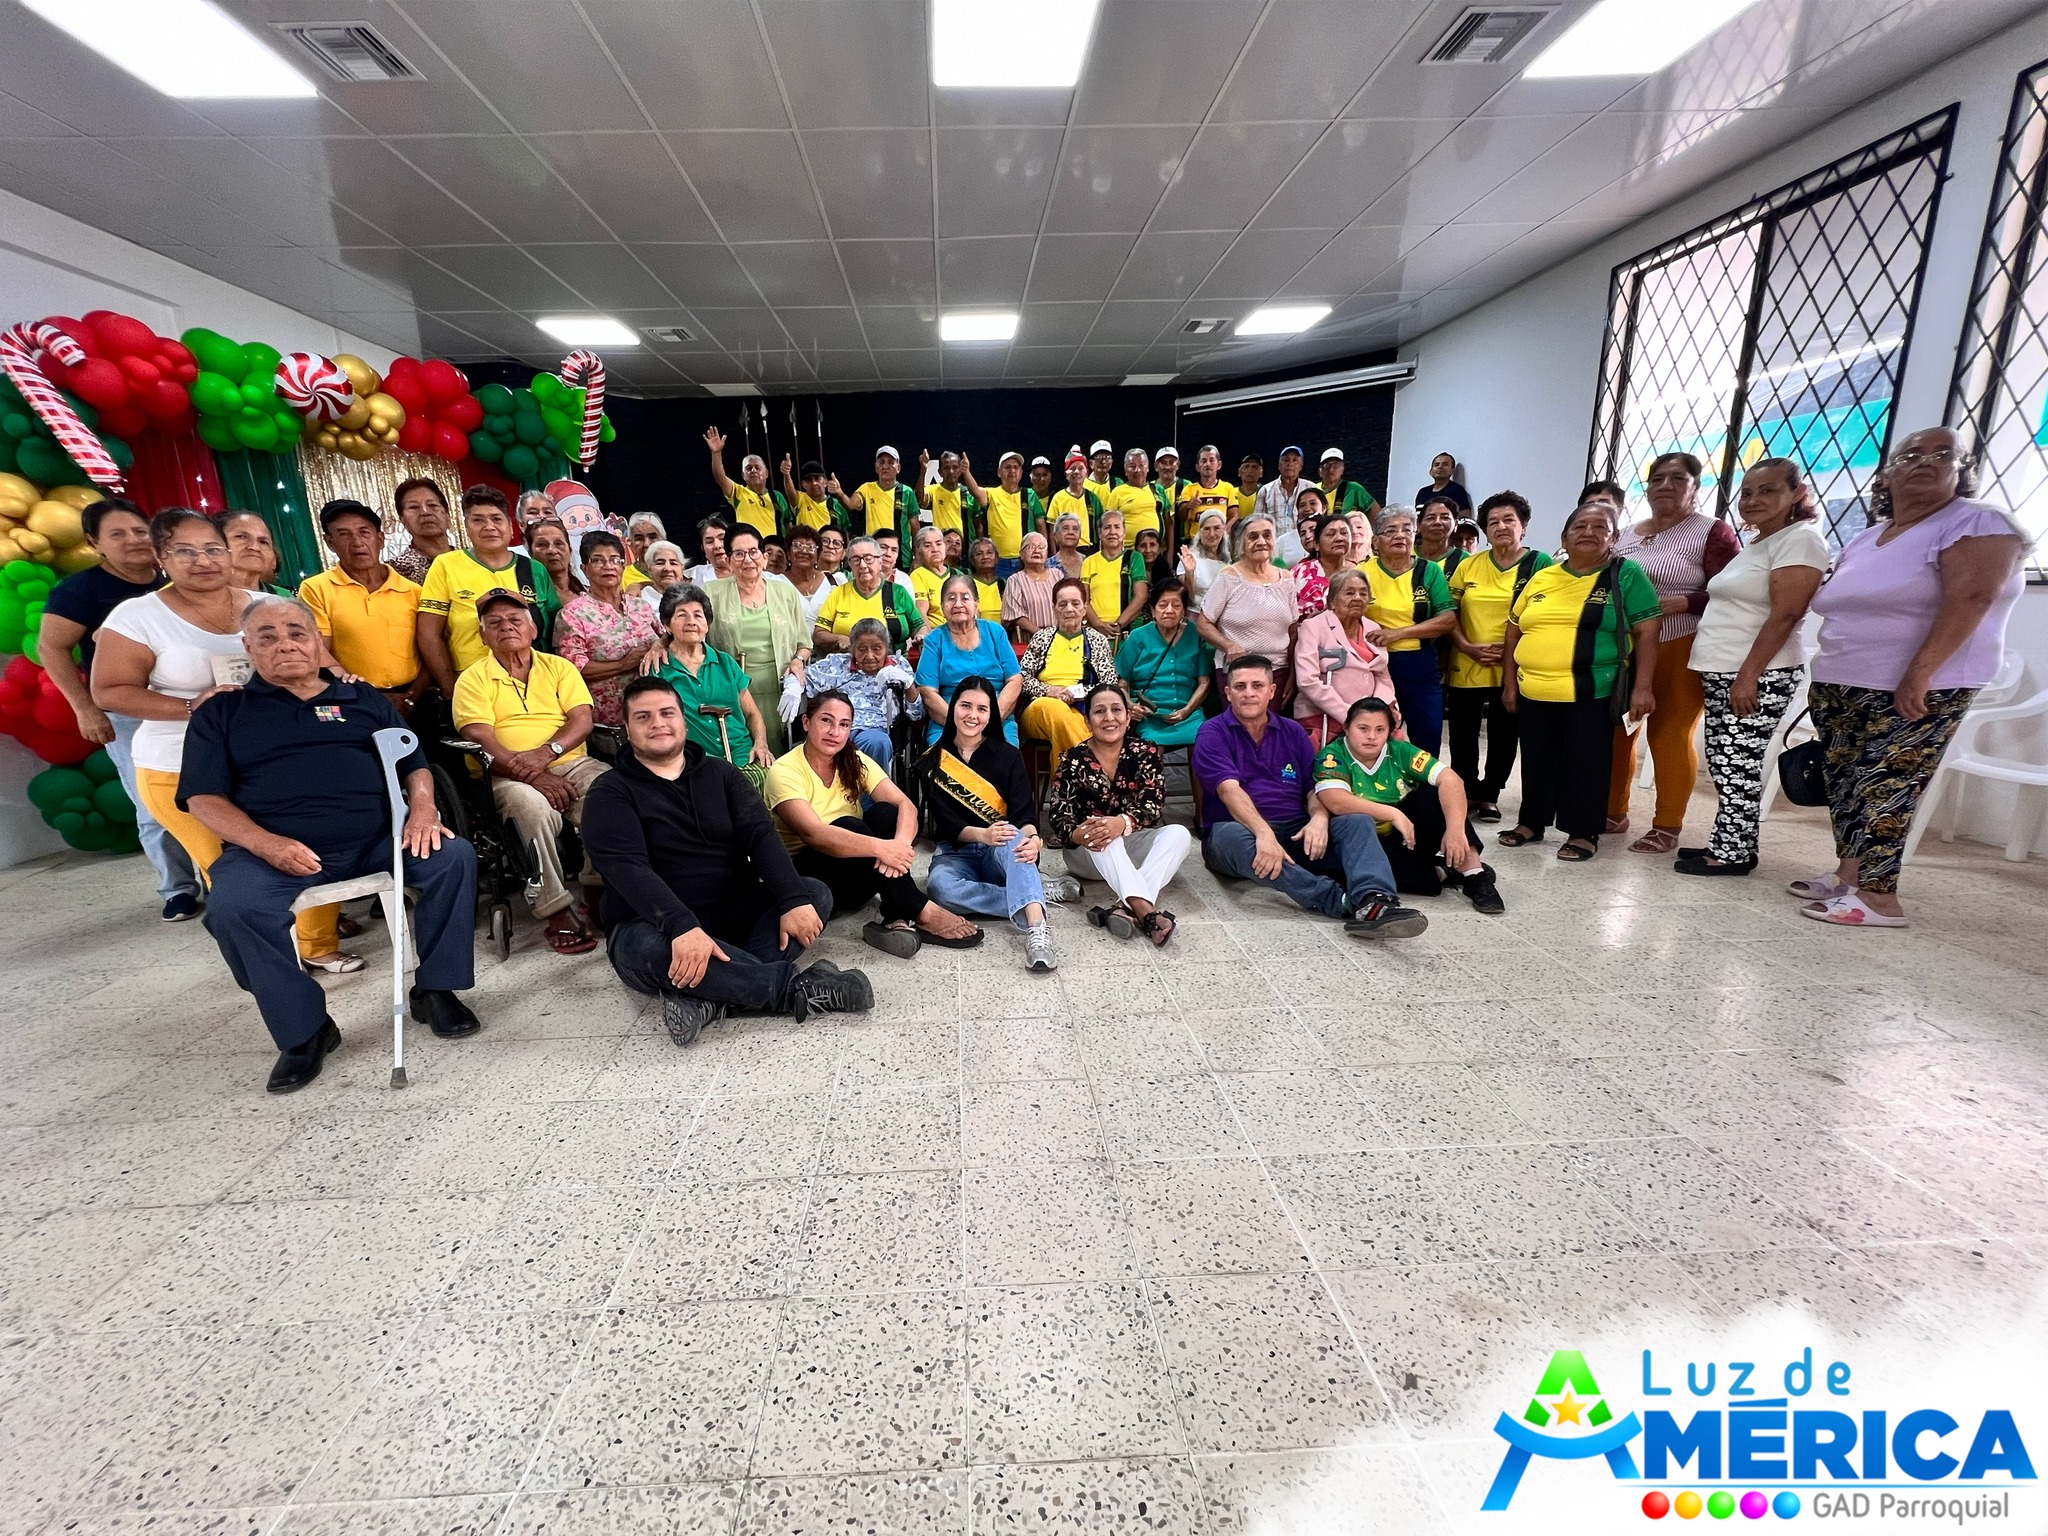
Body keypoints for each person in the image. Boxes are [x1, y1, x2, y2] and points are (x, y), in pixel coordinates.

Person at [175, 595, 481, 1091]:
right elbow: (203, 799)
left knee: (453, 858)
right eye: (268, 637)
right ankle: (305, 1030)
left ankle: (436, 991)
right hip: (273, 851)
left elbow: (414, 764)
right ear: (248, 648)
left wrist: (423, 810)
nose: (286, 645)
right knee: (233, 908)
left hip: (377, 839)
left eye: (297, 633)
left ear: (318, 642)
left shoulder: (361, 699)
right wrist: (266, 844)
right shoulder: (223, 711)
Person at [95, 510, 354, 970]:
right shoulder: (138, 616)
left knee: (310, 841)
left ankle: (316, 945)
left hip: (274, 760)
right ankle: (272, 961)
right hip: (180, 765)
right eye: (185, 551)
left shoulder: (265, 605)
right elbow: (110, 691)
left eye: (213, 549)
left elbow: (321, 662)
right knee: (237, 866)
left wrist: (344, 682)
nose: (203, 561)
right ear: (160, 556)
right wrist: (193, 707)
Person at [1796, 427, 2025, 926]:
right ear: (1886, 476)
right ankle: (1850, 876)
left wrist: (1919, 674)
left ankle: (1880, 899)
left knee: (1890, 786)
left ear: (1961, 470)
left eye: (1942, 454)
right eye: (1910, 455)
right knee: (1847, 784)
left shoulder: (1977, 521)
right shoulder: (1869, 537)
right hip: (1842, 680)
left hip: (1919, 685)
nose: (1925, 461)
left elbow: (1973, 597)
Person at [582, 675, 874, 1044]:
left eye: (667, 713)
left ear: (683, 719)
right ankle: (793, 989)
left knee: (813, 894)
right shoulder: (609, 792)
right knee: (643, 949)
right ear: (627, 728)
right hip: (655, 925)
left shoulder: (722, 775)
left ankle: (711, 997)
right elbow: (628, 869)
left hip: (733, 910)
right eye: (643, 717)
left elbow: (761, 836)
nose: (658, 723)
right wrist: (681, 926)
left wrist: (792, 899)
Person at [36, 496, 201, 919]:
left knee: (213, 791)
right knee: (152, 800)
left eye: (139, 530)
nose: (133, 540)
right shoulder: (80, 590)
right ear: (94, 543)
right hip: (130, 712)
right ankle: (178, 888)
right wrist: (84, 708)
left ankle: (225, 878)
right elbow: (51, 648)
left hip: (194, 705)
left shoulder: (175, 579)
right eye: (117, 534)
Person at [1194, 655, 1426, 937]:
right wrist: (1263, 834)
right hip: (1240, 832)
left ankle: (1375, 899)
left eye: (1257, 685)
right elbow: (1228, 790)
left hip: (1295, 831)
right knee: (1229, 836)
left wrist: (1318, 819)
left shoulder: (1292, 731)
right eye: (1240, 686)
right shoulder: (1212, 732)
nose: (1249, 693)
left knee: (1357, 821)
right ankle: (1339, 901)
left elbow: (1313, 788)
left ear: (1272, 691)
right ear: (1228, 693)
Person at [1678, 458, 1830, 877]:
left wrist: (1749, 676)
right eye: (1747, 492)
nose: (1753, 500)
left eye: (1768, 490)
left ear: (1797, 493)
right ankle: (1730, 843)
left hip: (1756, 671)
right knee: (1726, 761)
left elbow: (1786, 614)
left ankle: (1733, 854)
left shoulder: (1800, 540)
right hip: (1726, 668)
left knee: (1737, 763)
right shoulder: (1763, 542)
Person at [1497, 501, 1662, 862]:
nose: (1589, 532)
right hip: (1534, 690)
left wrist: (1643, 687)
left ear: (1613, 538)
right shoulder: (1543, 577)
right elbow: (1513, 630)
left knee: (1586, 762)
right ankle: (1531, 822)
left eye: (1600, 527)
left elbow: (1648, 632)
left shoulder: (1625, 575)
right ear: (1564, 538)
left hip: (1593, 691)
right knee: (1536, 759)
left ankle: (1583, 831)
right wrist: (1509, 684)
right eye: (1579, 527)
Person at [765, 691, 983, 957]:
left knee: (886, 813)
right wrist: (882, 849)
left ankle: (895, 917)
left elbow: (906, 806)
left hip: (858, 878)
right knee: (849, 825)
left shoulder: (853, 760)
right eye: (826, 720)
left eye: (844, 724)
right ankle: (920, 911)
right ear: (806, 722)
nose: (835, 732)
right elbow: (814, 834)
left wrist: (899, 847)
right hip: (812, 884)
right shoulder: (785, 770)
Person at [452, 590, 609, 954]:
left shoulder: (560, 668)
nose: (506, 627)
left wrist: (547, 754)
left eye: (515, 620)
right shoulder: (472, 679)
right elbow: (479, 737)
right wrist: (533, 774)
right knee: (530, 807)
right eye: (495, 623)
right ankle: (555, 909)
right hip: (504, 772)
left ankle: (596, 888)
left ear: (533, 629)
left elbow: (581, 719)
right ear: (482, 635)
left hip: (568, 760)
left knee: (610, 792)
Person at [1607, 451, 1743, 853]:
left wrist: (1684, 602)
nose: (1666, 485)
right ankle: (1612, 811)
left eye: (1678, 478)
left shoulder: (1712, 532)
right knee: (1617, 731)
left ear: (1695, 487)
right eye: (1657, 478)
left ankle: (1667, 823)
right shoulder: (1627, 533)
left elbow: (1736, 590)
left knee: (1668, 732)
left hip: (1679, 642)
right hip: (1623, 646)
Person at [922, 676, 1073, 971]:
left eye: (982, 709)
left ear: (991, 714)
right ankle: (1034, 893)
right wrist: (982, 834)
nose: (972, 715)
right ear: (953, 708)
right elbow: (945, 823)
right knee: (940, 890)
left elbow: (1024, 815)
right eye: (965, 706)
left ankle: (1037, 929)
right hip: (955, 853)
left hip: (1001, 851)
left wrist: (1034, 839)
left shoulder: (1009, 755)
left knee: (1014, 835)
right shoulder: (932, 760)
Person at [1312, 697, 1500, 913]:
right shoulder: (1332, 756)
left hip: (1408, 834)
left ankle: (1475, 874)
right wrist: (1393, 813)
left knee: (1433, 793)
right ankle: (1444, 872)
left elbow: (1451, 780)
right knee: (1351, 875)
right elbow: (1335, 800)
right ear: (1346, 727)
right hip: (1365, 839)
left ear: (1390, 732)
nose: (1371, 736)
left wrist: (1455, 830)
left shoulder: (1400, 750)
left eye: (1380, 729)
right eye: (1363, 728)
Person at [1044, 682, 1192, 944]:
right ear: (1088, 721)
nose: (1109, 717)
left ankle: (1124, 907)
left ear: (1128, 716)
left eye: (1116, 710)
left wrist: (1122, 823)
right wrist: (1081, 833)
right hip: (1087, 853)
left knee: (1179, 834)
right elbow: (1059, 814)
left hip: (1131, 845)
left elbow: (1153, 805)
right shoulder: (1072, 759)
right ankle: (1146, 912)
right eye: (1099, 711)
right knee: (1101, 831)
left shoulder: (1145, 752)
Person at [1445, 491, 1549, 822]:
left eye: (1509, 520)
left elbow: (1547, 615)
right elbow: (1449, 612)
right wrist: (1466, 646)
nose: (1501, 526)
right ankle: (1466, 791)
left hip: (1515, 665)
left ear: (1524, 527)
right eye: (1493, 522)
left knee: (1505, 734)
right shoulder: (1468, 565)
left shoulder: (1540, 565)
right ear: (1485, 531)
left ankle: (1490, 794)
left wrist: (1513, 649)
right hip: (1467, 661)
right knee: (1462, 734)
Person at [417, 485, 557, 699]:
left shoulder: (533, 569)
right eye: (478, 520)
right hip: (473, 685)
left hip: (535, 684)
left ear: (510, 527)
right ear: (466, 527)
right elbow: (428, 634)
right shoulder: (446, 565)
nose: (489, 527)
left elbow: (555, 629)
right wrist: (449, 687)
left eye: (496, 519)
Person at [299, 498, 426, 715]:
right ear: (330, 542)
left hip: (414, 700)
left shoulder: (413, 591)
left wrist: (414, 696)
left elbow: (430, 650)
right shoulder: (315, 589)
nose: (357, 542)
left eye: (364, 532)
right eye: (344, 534)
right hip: (350, 699)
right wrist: (367, 695)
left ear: (380, 539)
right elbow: (319, 652)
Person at [652, 583, 776, 782]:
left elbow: (752, 713)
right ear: (667, 625)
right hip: (694, 763)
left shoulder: (725, 662)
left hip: (742, 757)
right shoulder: (658, 670)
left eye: (698, 615)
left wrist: (761, 744)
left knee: (773, 785)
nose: (691, 622)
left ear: (707, 625)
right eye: (682, 615)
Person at [704, 524, 810, 755]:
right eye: (739, 554)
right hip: (733, 688)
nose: (748, 560)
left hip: (779, 687)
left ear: (764, 557)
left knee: (781, 752)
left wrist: (798, 661)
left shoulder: (786, 593)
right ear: (729, 560)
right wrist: (661, 644)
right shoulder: (710, 593)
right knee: (742, 752)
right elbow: (689, 631)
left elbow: (804, 644)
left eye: (753, 552)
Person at [1360, 505, 1456, 756]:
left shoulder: (1429, 571)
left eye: (1407, 530)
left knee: (1428, 731)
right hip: (1372, 663)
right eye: (1391, 530)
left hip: (1419, 663)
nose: (1400, 535)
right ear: (1375, 541)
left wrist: (1397, 633)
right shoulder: (1361, 572)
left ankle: (1422, 782)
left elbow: (1447, 620)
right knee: (1375, 732)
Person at [552, 530, 662, 729]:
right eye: (597, 560)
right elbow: (571, 670)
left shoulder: (641, 606)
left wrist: (658, 647)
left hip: (655, 712)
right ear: (584, 569)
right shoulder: (572, 614)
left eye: (615, 560)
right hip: (609, 723)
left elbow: (666, 639)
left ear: (623, 566)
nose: (608, 566)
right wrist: (622, 664)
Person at [1195, 510, 1296, 705]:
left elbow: (1292, 631)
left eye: (1267, 535)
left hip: (1278, 671)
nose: (1261, 541)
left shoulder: (1286, 579)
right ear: (1241, 544)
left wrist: (1292, 674)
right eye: (1253, 537)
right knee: (1240, 723)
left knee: (1271, 724)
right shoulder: (1229, 577)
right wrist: (1228, 646)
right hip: (1238, 672)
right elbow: (1203, 624)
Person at [1293, 568, 1395, 747]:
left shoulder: (1373, 628)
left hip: (1370, 719)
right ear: (1332, 600)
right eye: (1349, 593)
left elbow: (1383, 676)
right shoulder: (1314, 627)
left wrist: (1381, 708)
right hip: (1324, 717)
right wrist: (1350, 715)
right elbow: (1307, 680)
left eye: (1363, 593)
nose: (1357, 598)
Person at [916, 573, 1021, 744]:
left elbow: (1015, 680)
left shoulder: (996, 632)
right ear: (942, 606)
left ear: (976, 603)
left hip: (996, 720)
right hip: (949, 721)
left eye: (965, 598)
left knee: (1003, 755)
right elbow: (928, 692)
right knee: (946, 757)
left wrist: (991, 719)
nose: (958, 604)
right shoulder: (934, 640)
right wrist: (960, 725)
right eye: (951, 599)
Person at [1020, 578, 1119, 757]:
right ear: (1054, 608)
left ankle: (1070, 772)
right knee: (1056, 710)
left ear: (1084, 608)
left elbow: (1109, 684)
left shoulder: (1097, 640)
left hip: (1082, 707)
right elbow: (1022, 679)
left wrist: (1076, 693)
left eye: (1075, 603)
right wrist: (1050, 691)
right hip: (1041, 706)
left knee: (1073, 723)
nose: (1069, 609)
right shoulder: (1041, 638)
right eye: (1062, 604)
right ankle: (1091, 764)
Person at [802, 618, 919, 768]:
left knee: (878, 742)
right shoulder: (835, 664)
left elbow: (916, 715)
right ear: (852, 649)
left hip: (875, 731)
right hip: (835, 726)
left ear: (886, 648)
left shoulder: (899, 665)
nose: (870, 656)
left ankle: (874, 784)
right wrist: (793, 682)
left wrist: (908, 684)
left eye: (877, 649)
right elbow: (800, 677)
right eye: (862, 649)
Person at [1117, 578, 1211, 748]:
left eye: (1176, 605)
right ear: (1153, 610)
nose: (1169, 610)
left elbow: (1204, 682)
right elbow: (1122, 682)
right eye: (1162, 605)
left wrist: (1186, 711)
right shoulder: (1138, 637)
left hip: (1188, 714)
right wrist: (1131, 706)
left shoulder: (1195, 635)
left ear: (1184, 611)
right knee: (1153, 745)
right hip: (1149, 715)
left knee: (1204, 739)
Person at [813, 535, 922, 653]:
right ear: (850, 564)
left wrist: (920, 636)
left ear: (880, 561)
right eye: (856, 559)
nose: (863, 565)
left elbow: (919, 627)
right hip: (848, 659)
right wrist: (840, 639)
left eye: (868, 558)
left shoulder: (897, 592)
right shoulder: (838, 593)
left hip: (893, 659)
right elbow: (819, 634)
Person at [960, 450, 1042, 579]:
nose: (1012, 470)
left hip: (1025, 560)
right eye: (1007, 467)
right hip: (998, 562)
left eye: (1016, 467)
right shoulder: (991, 494)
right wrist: (966, 472)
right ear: (999, 472)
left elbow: (1041, 526)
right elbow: (975, 491)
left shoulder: (1030, 495)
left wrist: (1043, 554)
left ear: (1021, 472)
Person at [705, 426, 786, 537]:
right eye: (749, 468)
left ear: (766, 473)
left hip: (772, 546)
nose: (753, 470)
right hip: (746, 546)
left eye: (757, 467)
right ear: (743, 475)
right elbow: (720, 477)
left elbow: (787, 524)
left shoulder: (777, 497)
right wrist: (716, 453)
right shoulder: (738, 492)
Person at [1081, 508, 1149, 636]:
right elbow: (1083, 599)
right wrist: (1098, 624)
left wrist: (1118, 625)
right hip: (1096, 632)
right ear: (1099, 533)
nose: (1112, 532)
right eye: (1107, 527)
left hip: (1127, 630)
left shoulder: (1134, 558)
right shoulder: (1089, 562)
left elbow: (1140, 596)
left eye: (1117, 527)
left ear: (1124, 532)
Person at [848, 445, 921, 549]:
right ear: (876, 467)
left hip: (901, 554)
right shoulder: (866, 488)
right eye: (881, 462)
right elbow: (850, 505)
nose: (885, 466)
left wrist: (918, 553)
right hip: (872, 552)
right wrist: (839, 492)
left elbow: (915, 525)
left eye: (891, 462)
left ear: (898, 468)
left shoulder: (907, 492)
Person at [1003, 530, 1062, 647]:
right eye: (1031, 547)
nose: (1037, 551)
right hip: (1028, 640)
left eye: (1041, 547)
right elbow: (1017, 616)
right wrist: (1043, 636)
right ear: (1021, 554)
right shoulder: (1015, 580)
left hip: (1059, 638)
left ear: (1047, 553)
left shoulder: (1057, 575)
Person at [389, 477, 454, 584]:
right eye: (414, 507)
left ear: (447, 515)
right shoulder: (395, 571)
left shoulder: (470, 560)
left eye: (432, 505)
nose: (425, 512)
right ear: (403, 520)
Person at [1292, 505, 1352, 619]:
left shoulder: (1359, 571)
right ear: (1317, 544)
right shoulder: (1300, 572)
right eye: (1331, 534)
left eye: (1344, 533)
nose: (1339, 538)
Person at [522, 517, 575, 642]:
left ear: (570, 549)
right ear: (530, 552)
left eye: (558, 543)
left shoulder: (587, 593)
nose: (552, 550)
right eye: (542, 545)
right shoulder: (527, 597)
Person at [217, 510, 291, 597]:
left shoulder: (285, 597)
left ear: (274, 560)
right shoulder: (204, 597)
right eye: (241, 537)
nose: (255, 547)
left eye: (263, 542)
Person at [784, 526, 841, 632]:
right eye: (797, 546)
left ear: (818, 555)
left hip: (829, 642)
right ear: (788, 553)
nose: (804, 551)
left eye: (810, 547)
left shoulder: (835, 581)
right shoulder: (775, 583)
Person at [1103, 446, 1164, 543]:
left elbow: (1168, 521)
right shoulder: (1117, 492)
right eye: (1132, 466)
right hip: (1126, 549)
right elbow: (1108, 524)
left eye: (1141, 465)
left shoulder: (1157, 489)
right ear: (1125, 470)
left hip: (1153, 549)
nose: (1137, 470)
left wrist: (1170, 550)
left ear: (1148, 468)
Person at [918, 448, 979, 542]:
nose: (951, 471)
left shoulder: (969, 493)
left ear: (960, 470)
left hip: (965, 548)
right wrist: (923, 469)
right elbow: (920, 499)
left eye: (955, 467)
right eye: (946, 468)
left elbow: (978, 524)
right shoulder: (932, 490)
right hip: (941, 546)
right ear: (940, 472)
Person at [1180, 445, 1238, 541]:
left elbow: (1234, 517)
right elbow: (1182, 517)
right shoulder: (1188, 489)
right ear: (1197, 467)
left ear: (1219, 465)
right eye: (1203, 461)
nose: (1207, 464)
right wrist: (1188, 506)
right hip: (1195, 542)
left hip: (1220, 542)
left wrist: (1222, 534)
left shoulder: (1228, 488)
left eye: (1212, 460)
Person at [782, 456, 854, 532]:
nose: (814, 483)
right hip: (806, 539)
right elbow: (790, 492)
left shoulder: (837, 504)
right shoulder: (800, 499)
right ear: (803, 484)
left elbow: (845, 532)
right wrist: (786, 474)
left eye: (817, 478)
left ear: (825, 482)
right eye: (809, 480)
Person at [1048, 446, 1102, 548]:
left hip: (1089, 551)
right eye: (1072, 468)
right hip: (1064, 550)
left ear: (1087, 473)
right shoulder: (1058, 498)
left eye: (1081, 468)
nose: (1076, 472)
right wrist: (1055, 555)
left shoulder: (1093, 499)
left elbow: (1100, 528)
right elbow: (1052, 531)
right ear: (1066, 474)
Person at [1179, 507, 1230, 608]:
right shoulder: (1189, 558)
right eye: (1206, 529)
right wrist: (1189, 573)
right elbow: (1186, 599)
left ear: (1223, 530)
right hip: (1196, 612)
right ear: (1199, 532)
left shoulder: (1230, 560)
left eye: (1217, 528)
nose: (1212, 534)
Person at [1314, 447, 1379, 523]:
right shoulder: (1313, 488)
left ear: (1342, 470)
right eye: (1327, 466)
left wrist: (1368, 528)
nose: (1331, 469)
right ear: (1320, 472)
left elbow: (1374, 509)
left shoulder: (1353, 488)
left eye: (1336, 465)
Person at [908, 525, 952, 630]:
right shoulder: (917, 575)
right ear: (919, 551)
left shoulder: (958, 574)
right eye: (927, 546)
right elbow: (921, 613)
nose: (935, 549)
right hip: (935, 632)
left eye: (938, 544)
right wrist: (931, 637)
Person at [636, 540, 689, 620]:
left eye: (673, 563)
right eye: (660, 563)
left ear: (682, 570)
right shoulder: (639, 600)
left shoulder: (692, 598)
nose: (667, 569)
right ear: (649, 570)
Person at [1416, 495, 1464, 575]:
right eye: (1430, 518)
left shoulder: (1464, 560)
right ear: (1418, 525)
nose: (1437, 522)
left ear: (1455, 525)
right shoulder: (1405, 554)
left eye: (1445, 518)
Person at [965, 537, 1005, 622]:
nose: (985, 557)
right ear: (972, 560)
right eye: (979, 554)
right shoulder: (967, 584)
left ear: (996, 558)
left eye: (989, 553)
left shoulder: (1002, 584)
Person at [624, 512, 666, 587]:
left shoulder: (674, 573)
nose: (646, 544)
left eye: (653, 537)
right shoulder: (622, 576)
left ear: (663, 540)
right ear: (630, 542)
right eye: (639, 539)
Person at [685, 518, 730, 586]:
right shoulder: (695, 575)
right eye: (709, 542)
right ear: (703, 549)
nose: (717, 545)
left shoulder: (746, 569)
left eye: (722, 539)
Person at [1049, 511, 1087, 580]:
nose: (1071, 532)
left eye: (1075, 529)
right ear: (1055, 536)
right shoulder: (1047, 566)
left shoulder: (1088, 562)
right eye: (1065, 528)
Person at [1235, 454, 1263, 520]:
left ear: (1261, 473)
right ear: (1239, 472)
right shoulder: (1231, 492)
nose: (1250, 470)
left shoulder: (1266, 492)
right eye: (1246, 466)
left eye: (1254, 467)